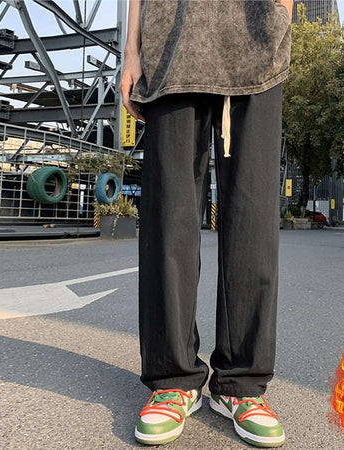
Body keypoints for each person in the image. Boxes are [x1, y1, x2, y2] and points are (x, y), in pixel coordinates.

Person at [120, 0, 293, 446]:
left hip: (256, 42)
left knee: (253, 222)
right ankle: (172, 378)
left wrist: (282, 14)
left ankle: (241, 383)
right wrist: (131, 52)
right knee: (168, 222)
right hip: (172, 45)